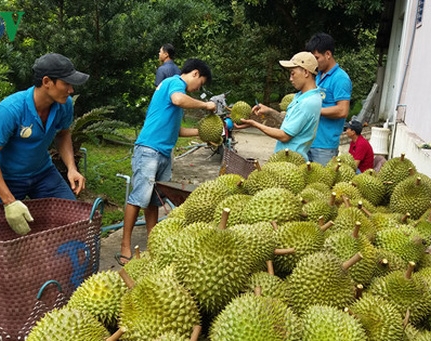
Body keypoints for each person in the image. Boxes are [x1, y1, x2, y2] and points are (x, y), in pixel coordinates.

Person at [0, 53, 89, 236]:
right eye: (66, 83)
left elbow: (63, 134)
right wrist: (9, 201)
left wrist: (71, 167)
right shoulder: (10, 110)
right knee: (2, 239)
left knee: (73, 221)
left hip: (43, 174)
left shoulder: (64, 105)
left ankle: (59, 262)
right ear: (47, 82)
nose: (71, 90)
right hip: (6, 179)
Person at [117, 59, 215, 265]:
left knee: (153, 200)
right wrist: (206, 105)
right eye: (201, 83)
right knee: (138, 197)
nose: (199, 89)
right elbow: (179, 99)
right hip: (149, 150)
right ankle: (125, 246)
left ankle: (153, 244)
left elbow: (178, 130)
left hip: (163, 153)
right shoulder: (175, 83)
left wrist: (204, 133)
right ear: (195, 74)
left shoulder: (177, 97)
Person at [237, 52, 321, 161]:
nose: (290, 78)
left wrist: (255, 124)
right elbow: (289, 122)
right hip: (285, 160)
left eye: (293, 73)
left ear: (305, 72)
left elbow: (284, 136)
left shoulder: (308, 102)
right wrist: (270, 111)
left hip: (291, 164)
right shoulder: (303, 96)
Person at [305, 33, 352, 165]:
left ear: (328, 54)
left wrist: (314, 110)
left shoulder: (340, 78)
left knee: (321, 184)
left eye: (316, 58)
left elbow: (342, 110)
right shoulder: (318, 75)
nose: (314, 62)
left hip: (324, 147)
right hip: (308, 140)